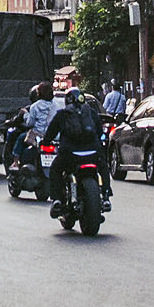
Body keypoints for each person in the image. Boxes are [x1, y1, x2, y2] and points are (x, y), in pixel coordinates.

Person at [43, 87, 112, 216]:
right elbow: (99, 132)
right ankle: (106, 195)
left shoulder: (62, 115)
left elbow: (50, 134)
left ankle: (57, 199)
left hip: (70, 154)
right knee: (103, 167)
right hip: (93, 154)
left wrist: (45, 143)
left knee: (55, 170)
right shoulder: (91, 113)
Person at [12, 81, 57, 167]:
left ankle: (15, 162)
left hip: (38, 135)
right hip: (53, 135)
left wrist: (25, 114)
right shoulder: (56, 105)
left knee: (21, 138)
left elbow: (29, 123)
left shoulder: (35, 106)